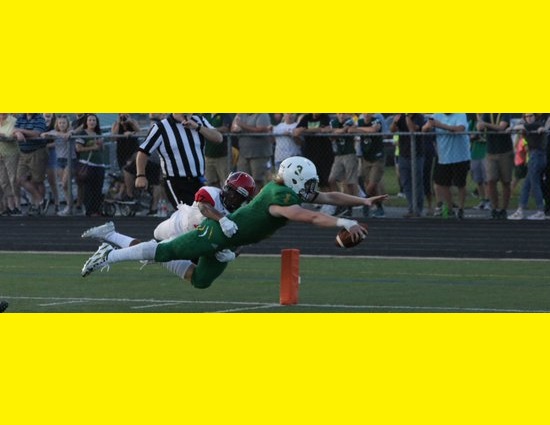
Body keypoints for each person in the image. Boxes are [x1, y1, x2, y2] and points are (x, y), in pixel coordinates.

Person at [82, 156, 389, 289]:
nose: (311, 189)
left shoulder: (286, 191)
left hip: (228, 242)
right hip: (214, 231)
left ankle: (114, 241)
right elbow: (309, 216)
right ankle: (108, 255)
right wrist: (343, 223)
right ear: (295, 179)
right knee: (162, 251)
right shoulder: (278, 196)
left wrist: (363, 202)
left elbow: (329, 196)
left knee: (200, 281)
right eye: (307, 183)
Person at [81, 172, 256, 275]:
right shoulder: (212, 192)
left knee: (152, 255)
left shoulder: (238, 215)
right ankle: (108, 250)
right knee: (153, 251)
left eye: (240, 196)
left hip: (192, 239)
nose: (235, 197)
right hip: (177, 226)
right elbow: (204, 207)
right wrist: (222, 220)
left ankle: (110, 235)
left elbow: (240, 241)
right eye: (233, 192)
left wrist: (233, 255)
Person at [136, 113, 223, 208]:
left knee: (205, 212)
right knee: (187, 212)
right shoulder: (161, 127)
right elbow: (143, 152)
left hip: (199, 180)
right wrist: (141, 175)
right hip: (176, 182)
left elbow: (218, 138)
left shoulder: (199, 120)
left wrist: (198, 127)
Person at [423, 114, 471, 219]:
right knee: (443, 184)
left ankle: (461, 208)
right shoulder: (436, 115)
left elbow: (460, 129)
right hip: (444, 156)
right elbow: (424, 129)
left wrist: (441, 125)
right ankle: (449, 208)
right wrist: (428, 127)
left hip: (460, 156)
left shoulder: (460, 114)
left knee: (460, 184)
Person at [507, 114, 547, 220]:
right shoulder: (528, 126)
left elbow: (520, 127)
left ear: (534, 116)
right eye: (527, 116)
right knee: (526, 185)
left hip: (537, 156)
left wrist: (512, 127)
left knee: (535, 184)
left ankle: (540, 211)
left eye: (531, 115)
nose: (529, 118)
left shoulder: (536, 124)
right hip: (533, 156)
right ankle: (520, 210)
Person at [477, 113, 514, 219]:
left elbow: (502, 127)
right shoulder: (487, 113)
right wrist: (480, 125)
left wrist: (485, 124)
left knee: (506, 181)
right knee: (491, 180)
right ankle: (494, 208)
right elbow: (480, 126)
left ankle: (504, 209)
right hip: (491, 152)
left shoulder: (505, 112)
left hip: (505, 151)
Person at [348, 113, 385, 218]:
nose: (366, 114)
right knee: (368, 183)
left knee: (372, 184)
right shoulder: (359, 121)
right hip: (366, 157)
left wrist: (359, 129)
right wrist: (362, 129)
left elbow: (374, 129)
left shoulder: (376, 120)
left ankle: (364, 202)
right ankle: (379, 207)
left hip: (377, 157)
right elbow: (350, 130)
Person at [41, 115, 77, 216]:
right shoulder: (54, 132)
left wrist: (57, 134)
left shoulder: (71, 131)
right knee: (64, 186)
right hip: (59, 160)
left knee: (65, 183)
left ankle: (69, 206)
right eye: (60, 123)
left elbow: (67, 135)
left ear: (67, 124)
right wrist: (47, 134)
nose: (62, 125)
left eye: (64, 123)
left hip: (70, 160)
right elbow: (43, 134)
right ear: (57, 124)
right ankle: (69, 206)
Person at [390, 113, 425, 217]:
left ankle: (418, 208)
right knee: (406, 182)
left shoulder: (419, 117)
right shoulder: (400, 116)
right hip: (403, 154)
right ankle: (411, 207)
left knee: (417, 182)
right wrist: (395, 122)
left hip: (416, 154)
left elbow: (412, 129)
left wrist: (407, 117)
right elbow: (392, 130)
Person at [14, 113, 48, 215]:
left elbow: (37, 133)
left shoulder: (40, 118)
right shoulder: (20, 118)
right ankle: (41, 200)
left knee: (38, 180)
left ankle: (38, 207)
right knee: (20, 179)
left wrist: (20, 131)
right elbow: (13, 130)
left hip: (37, 152)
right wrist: (17, 133)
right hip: (23, 152)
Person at [231, 113, 272, 194]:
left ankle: (259, 199)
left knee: (258, 181)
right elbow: (233, 128)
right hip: (243, 153)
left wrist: (242, 125)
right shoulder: (240, 114)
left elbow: (260, 130)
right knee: (242, 180)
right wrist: (235, 129)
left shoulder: (262, 114)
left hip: (259, 155)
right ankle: (247, 200)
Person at [74, 114, 106, 217]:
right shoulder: (82, 133)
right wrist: (92, 147)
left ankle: (97, 210)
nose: (92, 122)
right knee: (88, 188)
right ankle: (89, 210)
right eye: (90, 120)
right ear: (86, 122)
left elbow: (102, 149)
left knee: (98, 188)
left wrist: (101, 145)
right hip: (87, 164)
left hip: (99, 164)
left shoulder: (98, 133)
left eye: (94, 120)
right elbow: (78, 148)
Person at [293, 114, 334, 192]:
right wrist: (316, 130)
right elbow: (296, 131)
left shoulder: (324, 117)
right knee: (311, 180)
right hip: (309, 154)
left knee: (325, 181)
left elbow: (325, 129)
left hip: (324, 154)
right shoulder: (307, 117)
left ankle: (329, 198)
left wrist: (305, 130)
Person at [203, 113, 233, 188]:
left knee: (226, 182)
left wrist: (211, 130)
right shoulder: (206, 115)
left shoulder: (224, 115)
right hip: (208, 155)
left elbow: (226, 128)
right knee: (210, 182)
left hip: (222, 156)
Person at [0, 113, 21, 216]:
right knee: (3, 181)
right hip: (0, 154)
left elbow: (15, 135)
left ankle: (18, 206)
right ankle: (9, 206)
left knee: (13, 179)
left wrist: (3, 136)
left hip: (11, 153)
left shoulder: (14, 121)